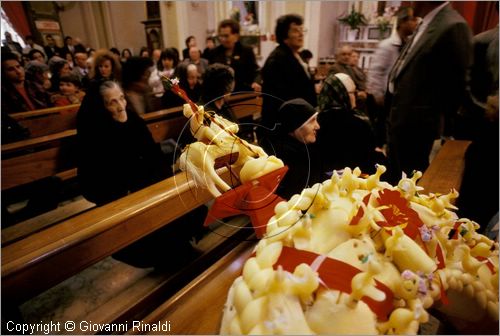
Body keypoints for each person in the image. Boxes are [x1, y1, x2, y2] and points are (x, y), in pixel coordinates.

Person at [76, 81, 203, 268]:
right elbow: (91, 184)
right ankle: (173, 256)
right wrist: (126, 190)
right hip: (123, 198)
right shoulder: (94, 134)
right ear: (101, 107)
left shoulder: (135, 122)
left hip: (150, 187)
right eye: (112, 102)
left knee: (182, 203)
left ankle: (178, 252)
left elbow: (155, 156)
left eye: (121, 99)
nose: (120, 106)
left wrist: (161, 179)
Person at [386, 1, 472, 182]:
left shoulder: (452, 25)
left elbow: (458, 84)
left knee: (411, 190)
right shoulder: (426, 23)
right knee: (395, 186)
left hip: (418, 128)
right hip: (400, 123)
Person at [366, 6, 418, 146]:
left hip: (398, 101)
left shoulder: (408, 44)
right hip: (384, 101)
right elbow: (375, 72)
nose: (416, 22)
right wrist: (378, 96)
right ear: (402, 22)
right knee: (380, 137)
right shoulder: (387, 46)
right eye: (413, 19)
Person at [317, 72, 385, 174]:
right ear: (342, 93)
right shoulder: (357, 122)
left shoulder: (314, 119)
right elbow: (369, 154)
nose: (356, 96)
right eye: (353, 92)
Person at [260, 14, 316, 135]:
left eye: (302, 30)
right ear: (284, 35)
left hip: (299, 120)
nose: (301, 34)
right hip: (286, 125)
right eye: (296, 30)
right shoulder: (277, 59)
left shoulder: (296, 55)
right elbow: (279, 98)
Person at [260, 98, 322, 199]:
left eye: (316, 120)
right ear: (294, 127)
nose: (317, 126)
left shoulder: (304, 148)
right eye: (311, 121)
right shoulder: (284, 159)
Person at [208, 19, 261, 93]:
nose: (222, 39)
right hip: (220, 97)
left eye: (226, 36)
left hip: (243, 94)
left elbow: (256, 71)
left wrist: (256, 82)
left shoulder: (246, 51)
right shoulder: (213, 53)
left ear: (236, 36)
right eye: (221, 36)